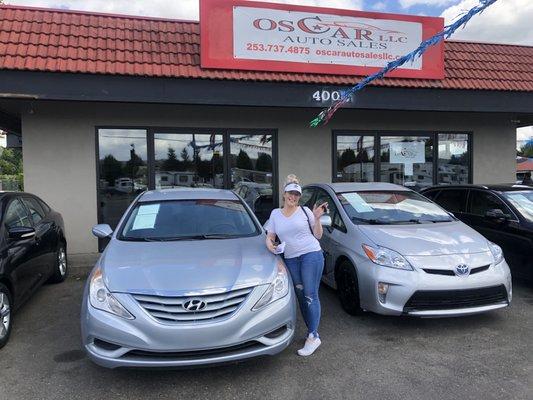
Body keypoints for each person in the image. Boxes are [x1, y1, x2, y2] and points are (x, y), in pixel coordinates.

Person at [265, 174, 327, 356]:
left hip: (311, 255)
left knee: (310, 294)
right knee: (300, 295)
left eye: (297, 195)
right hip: (291, 258)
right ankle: (312, 332)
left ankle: (313, 336)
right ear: (284, 194)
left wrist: (316, 219)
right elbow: (270, 237)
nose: (293, 197)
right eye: (290, 194)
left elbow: (318, 236)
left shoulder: (306, 211)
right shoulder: (275, 214)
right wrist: (272, 248)